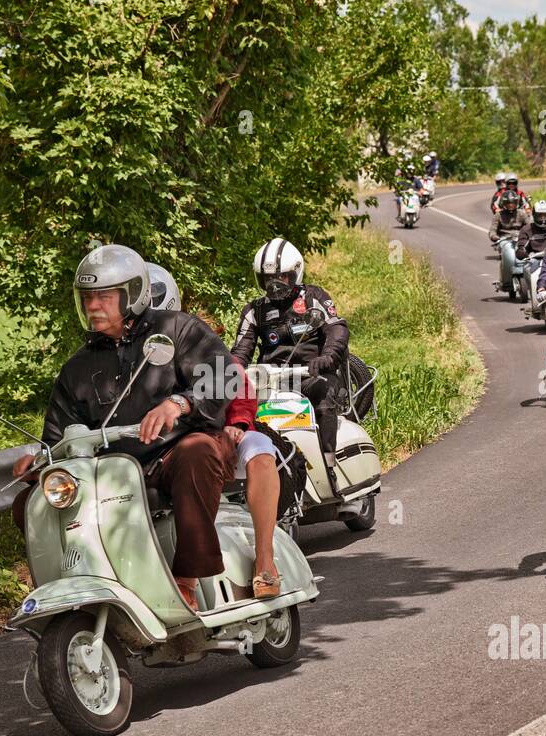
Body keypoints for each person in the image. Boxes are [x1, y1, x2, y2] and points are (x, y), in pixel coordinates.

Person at [19, 245, 237, 612]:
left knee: (196, 451)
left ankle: (185, 580)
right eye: (87, 298)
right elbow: (58, 435)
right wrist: (38, 460)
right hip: (116, 469)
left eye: (103, 296)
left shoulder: (176, 330)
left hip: (176, 452)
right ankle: (81, 589)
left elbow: (226, 376)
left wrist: (180, 403)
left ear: (133, 293)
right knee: (33, 502)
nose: (92, 306)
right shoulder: (78, 367)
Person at [148, 266, 290, 599]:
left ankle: (265, 560)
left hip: (222, 432)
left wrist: (237, 423)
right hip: (168, 446)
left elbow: (236, 381)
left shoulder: (193, 338)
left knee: (260, 449)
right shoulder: (134, 357)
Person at [231, 237, 350, 498]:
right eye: (268, 278)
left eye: (282, 277)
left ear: (295, 273)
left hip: (311, 374)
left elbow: (337, 329)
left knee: (323, 394)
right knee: (240, 410)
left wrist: (327, 358)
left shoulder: (313, 298)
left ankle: (328, 466)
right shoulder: (255, 311)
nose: (274, 284)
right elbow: (241, 350)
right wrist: (231, 373)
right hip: (271, 380)